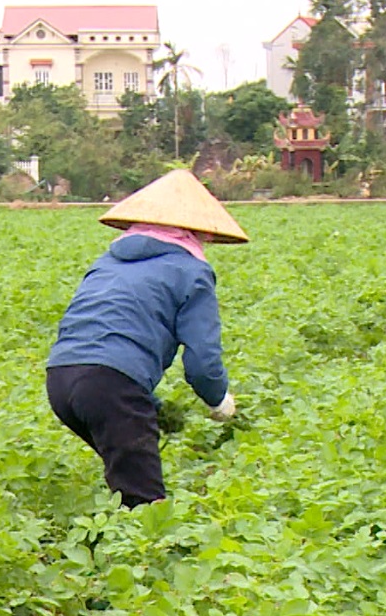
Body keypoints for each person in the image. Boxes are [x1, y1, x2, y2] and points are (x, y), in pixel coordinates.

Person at [46, 169, 247, 507]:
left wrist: (152, 410)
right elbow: (202, 361)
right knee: (146, 507)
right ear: (195, 231)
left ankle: (107, 539)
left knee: (126, 478)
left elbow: (99, 345)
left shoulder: (107, 263)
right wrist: (219, 401)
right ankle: (140, 555)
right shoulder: (191, 271)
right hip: (109, 385)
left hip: (60, 381)